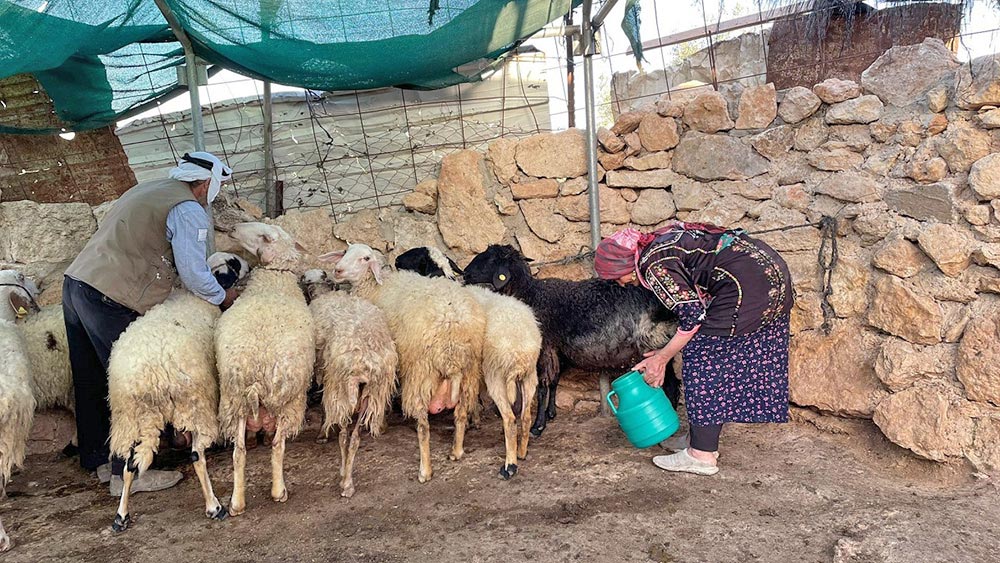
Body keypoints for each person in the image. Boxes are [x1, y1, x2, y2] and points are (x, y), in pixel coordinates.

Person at [62, 151, 238, 495]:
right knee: (134, 383)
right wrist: (222, 297)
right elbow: (193, 273)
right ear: (205, 184)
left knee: (92, 379)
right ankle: (128, 472)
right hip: (111, 298)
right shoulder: (188, 209)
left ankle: (99, 460)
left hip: (77, 285)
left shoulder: (147, 189)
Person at [594, 221, 793, 476]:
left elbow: (693, 317)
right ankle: (699, 440)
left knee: (703, 360)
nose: (621, 284)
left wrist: (662, 358)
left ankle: (701, 455)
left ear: (622, 266)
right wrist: (664, 352)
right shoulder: (656, 245)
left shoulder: (653, 266)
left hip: (748, 287)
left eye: (615, 277)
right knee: (709, 355)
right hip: (770, 274)